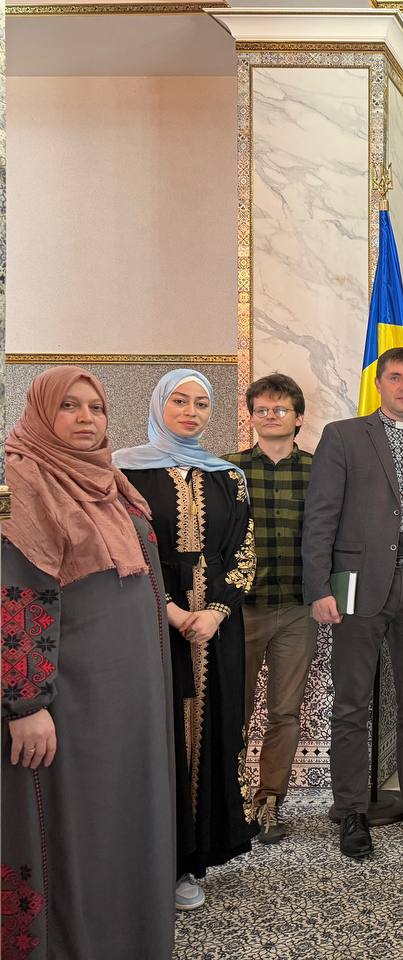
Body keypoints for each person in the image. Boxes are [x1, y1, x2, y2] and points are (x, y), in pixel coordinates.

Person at [2, 367, 175, 959]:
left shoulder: (109, 481)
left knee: (122, 816)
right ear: (40, 412)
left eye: (96, 408)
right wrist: (27, 704)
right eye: (69, 406)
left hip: (129, 695)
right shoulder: (23, 481)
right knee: (76, 823)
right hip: (69, 700)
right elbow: (15, 593)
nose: (86, 418)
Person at [303, 347, 403, 859]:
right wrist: (319, 587)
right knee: (352, 703)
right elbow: (320, 516)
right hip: (358, 585)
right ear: (380, 384)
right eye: (395, 377)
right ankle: (351, 809)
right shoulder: (344, 436)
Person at [115, 368, 257, 912]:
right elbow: (121, 551)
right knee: (158, 734)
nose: (191, 411)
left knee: (213, 730)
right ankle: (150, 860)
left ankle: (192, 859)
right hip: (148, 621)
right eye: (179, 400)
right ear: (159, 404)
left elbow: (243, 552)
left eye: (201, 403)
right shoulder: (122, 471)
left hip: (216, 628)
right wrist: (171, 612)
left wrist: (216, 612)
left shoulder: (228, 477)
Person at [225, 373, 316, 844]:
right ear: (251, 416)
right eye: (261, 409)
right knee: (233, 707)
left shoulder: (320, 470)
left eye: (280, 409)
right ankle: (231, 798)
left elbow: (335, 537)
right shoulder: (228, 470)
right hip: (242, 610)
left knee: (285, 711)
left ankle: (270, 799)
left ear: (299, 418)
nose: (270, 416)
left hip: (298, 609)